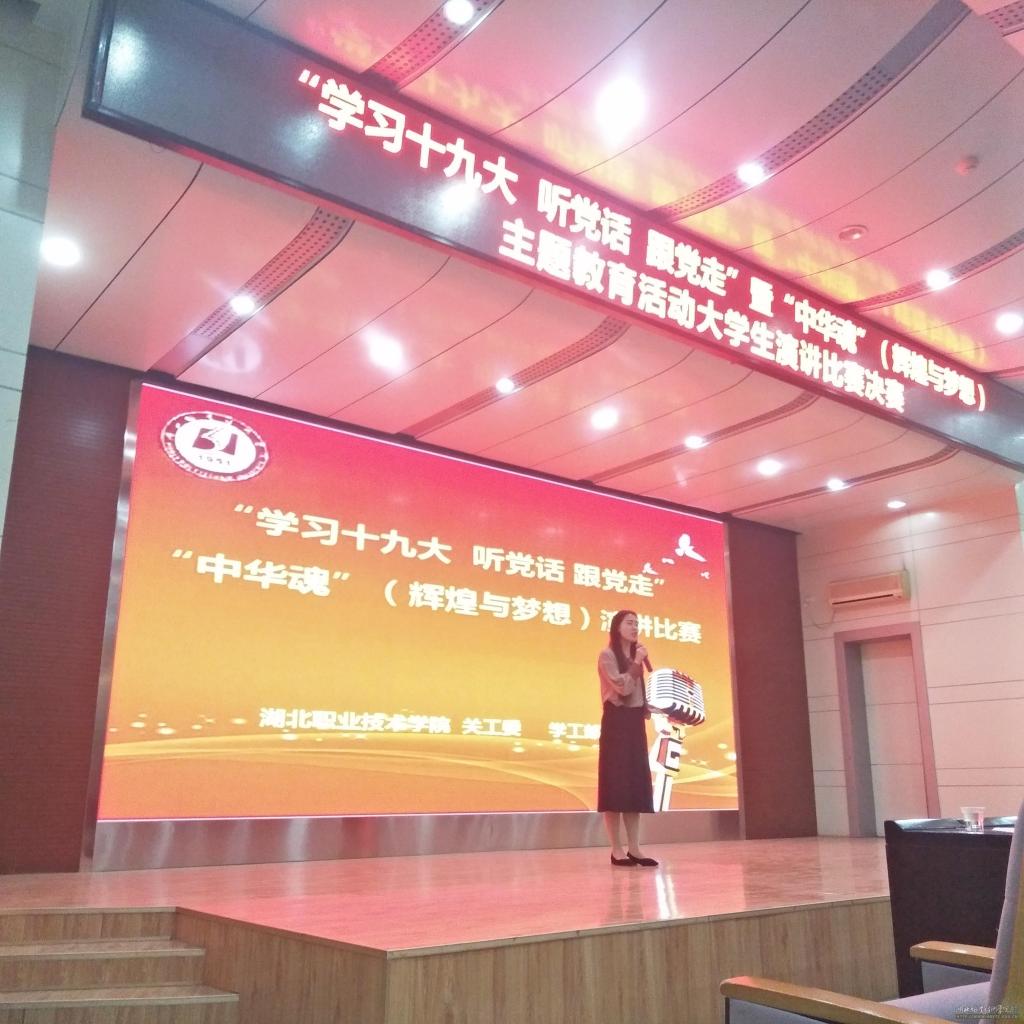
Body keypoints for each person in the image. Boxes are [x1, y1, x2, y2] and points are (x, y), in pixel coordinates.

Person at [597, 609, 658, 867]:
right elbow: (622, 688)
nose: (635, 628)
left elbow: (637, 694)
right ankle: (616, 850)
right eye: (629, 623)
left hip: (634, 725)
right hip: (616, 723)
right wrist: (637, 663)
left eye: (637, 623)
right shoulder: (607, 655)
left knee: (634, 785)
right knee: (615, 786)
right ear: (617, 627)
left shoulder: (635, 658)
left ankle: (635, 848)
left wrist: (652, 706)